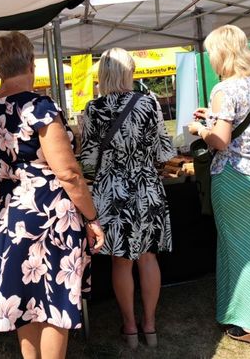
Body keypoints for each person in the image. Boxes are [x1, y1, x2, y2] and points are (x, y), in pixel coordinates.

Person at [0, 32, 104, 359]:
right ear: (32, 63)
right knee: (54, 303)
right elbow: (68, 173)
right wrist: (92, 218)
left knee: (23, 299)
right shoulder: (39, 107)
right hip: (49, 216)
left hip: (8, 215)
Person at [79, 47, 175, 349]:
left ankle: (130, 328)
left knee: (121, 262)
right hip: (147, 188)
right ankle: (151, 326)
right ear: (129, 72)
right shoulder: (149, 102)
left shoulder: (93, 109)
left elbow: (88, 161)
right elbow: (164, 151)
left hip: (111, 192)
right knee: (148, 257)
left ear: (103, 75)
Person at [187, 25, 250, 345]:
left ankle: (248, 320)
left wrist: (199, 130)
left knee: (238, 249)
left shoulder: (224, 89)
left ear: (221, 53)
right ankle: (236, 311)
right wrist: (213, 118)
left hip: (233, 176)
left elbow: (220, 141)